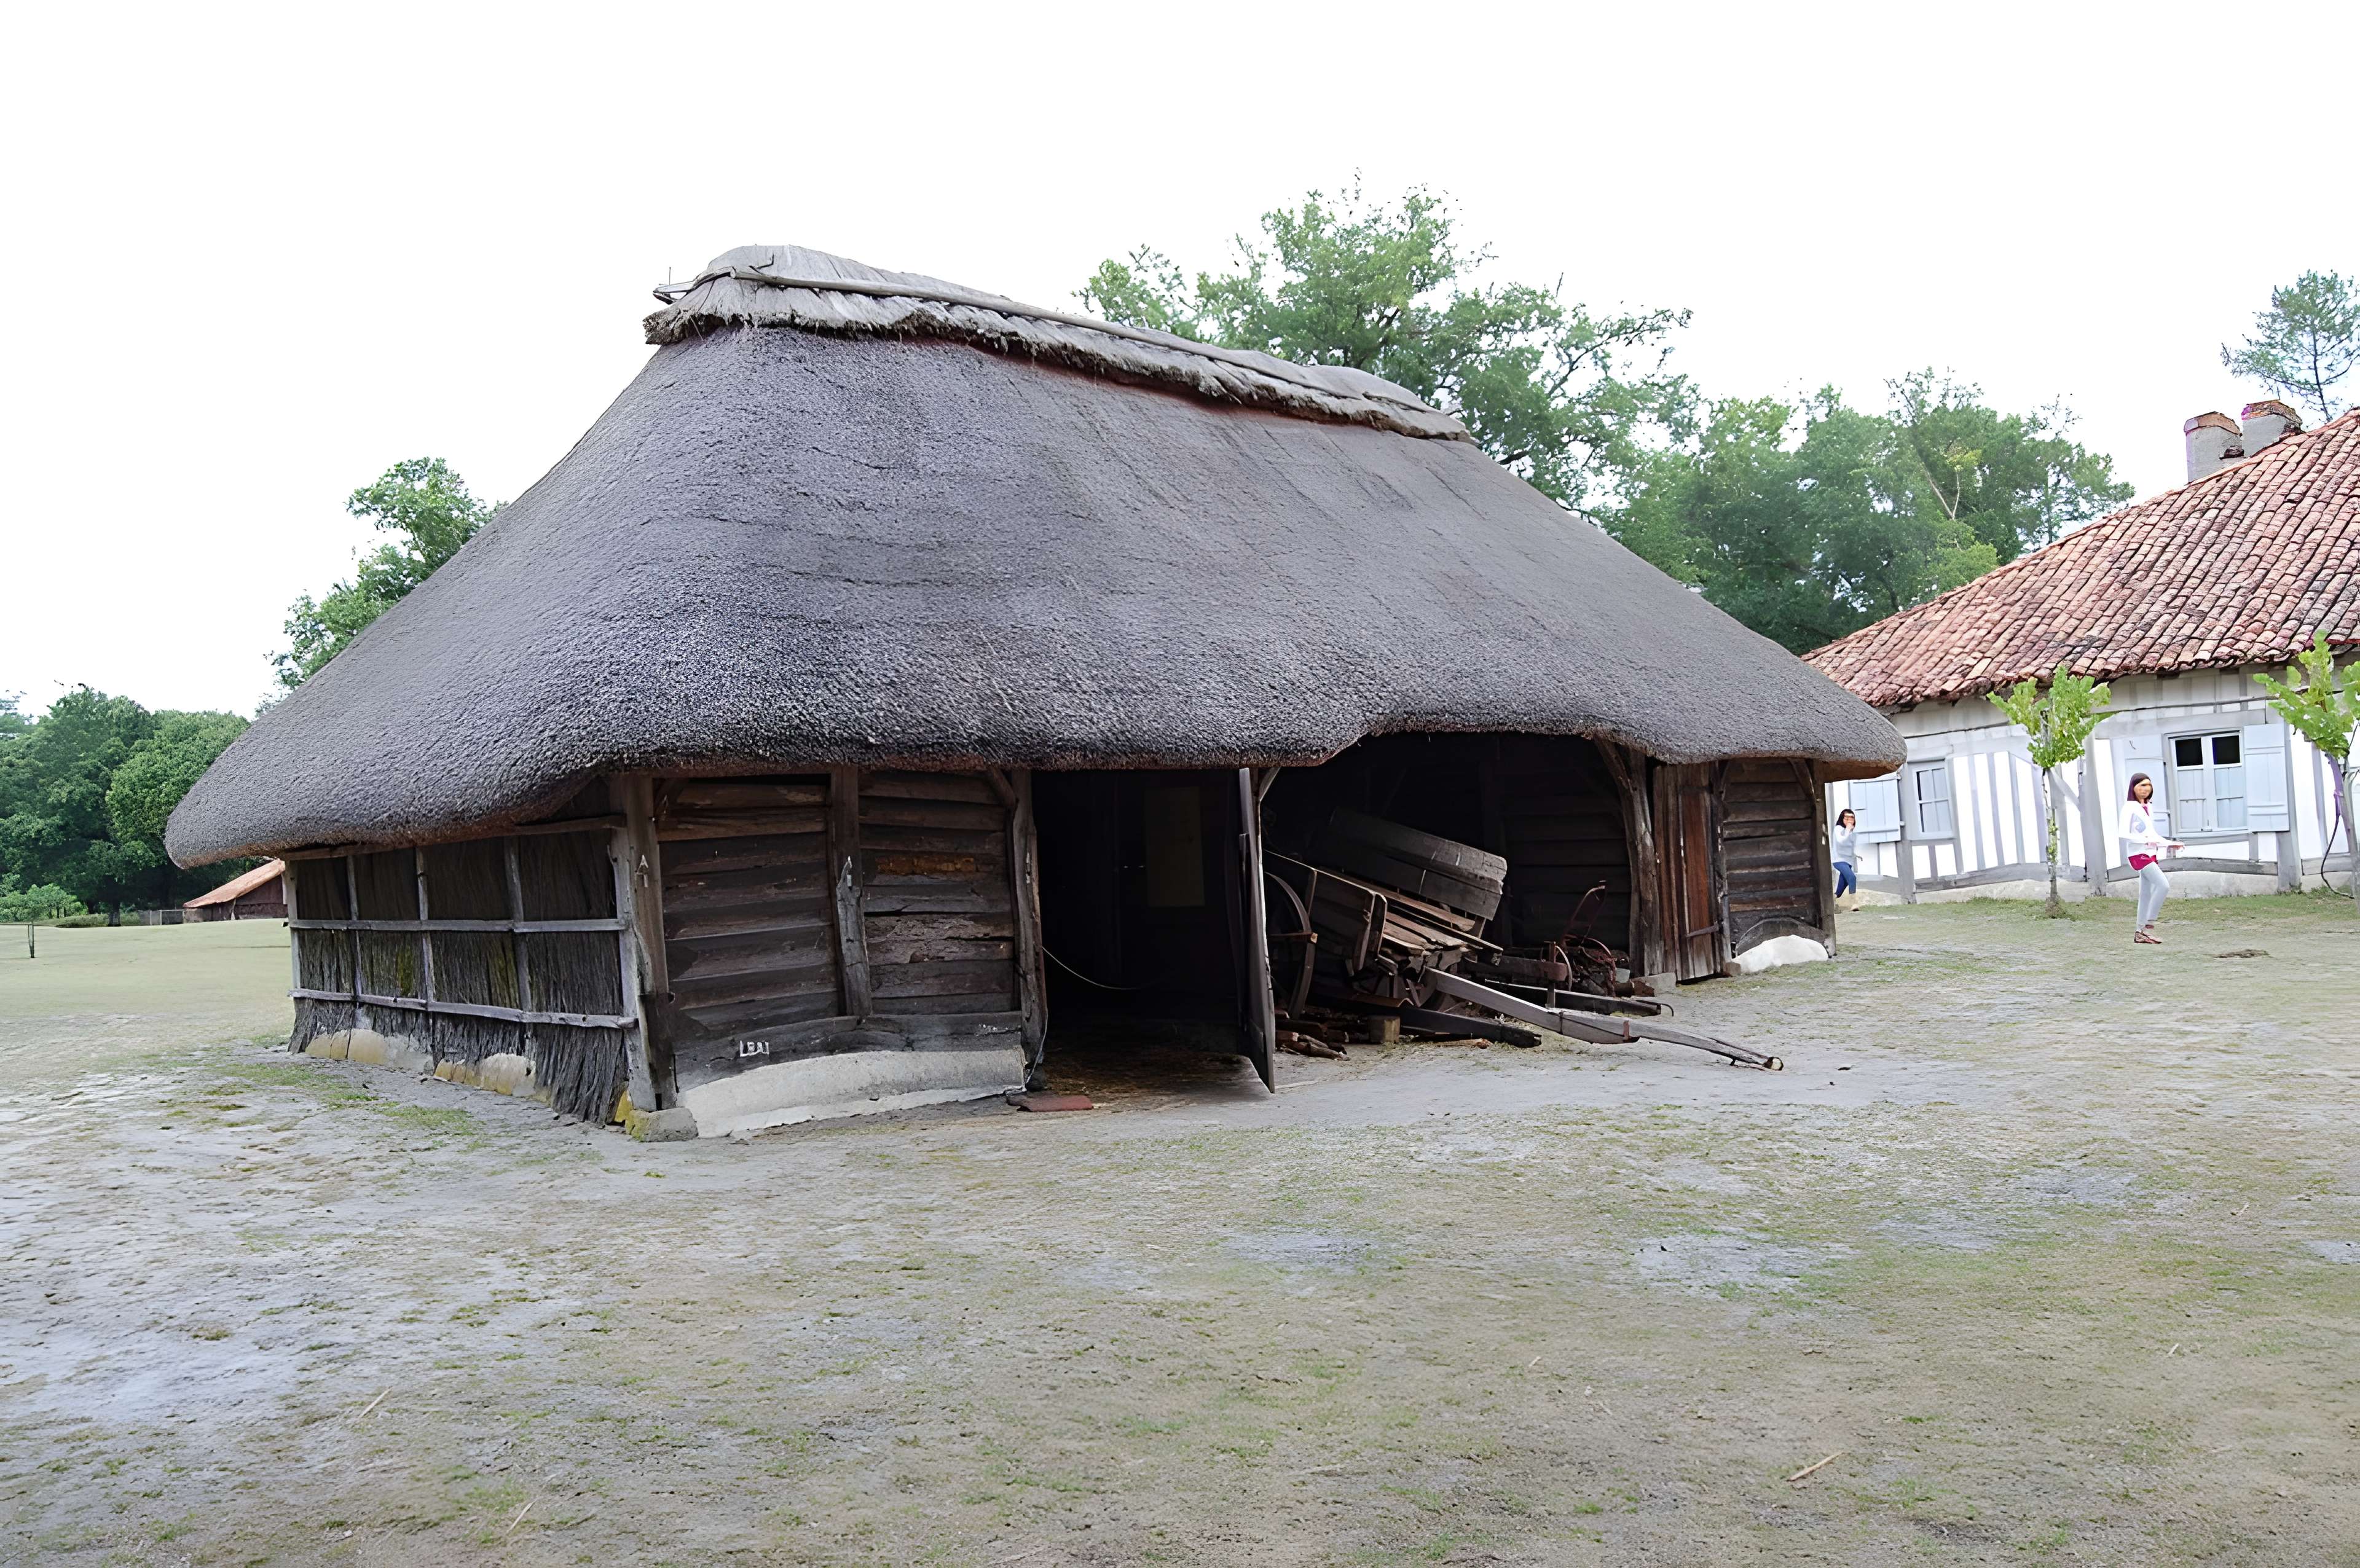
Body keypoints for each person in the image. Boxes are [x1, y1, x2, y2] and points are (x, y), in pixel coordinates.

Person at [2120, 773, 2182, 944]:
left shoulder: (2148, 807)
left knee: (2145, 894)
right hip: (2138, 855)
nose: (2145, 789)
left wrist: (2170, 844)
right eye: (2141, 786)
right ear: (2133, 788)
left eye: (2148, 785)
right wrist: (2146, 841)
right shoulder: (2129, 808)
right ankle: (2148, 927)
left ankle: (2140, 933)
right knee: (2163, 885)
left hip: (2150, 854)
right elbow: (2124, 834)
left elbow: (2152, 833)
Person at [1831, 808, 1859, 904]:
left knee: (1845, 881)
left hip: (1848, 860)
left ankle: (1834, 898)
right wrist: (1847, 830)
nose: (1849, 821)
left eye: (1852, 818)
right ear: (1842, 819)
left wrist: (1856, 855)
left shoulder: (1850, 832)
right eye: (1846, 818)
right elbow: (1841, 841)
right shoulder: (1838, 829)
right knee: (1852, 878)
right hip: (1839, 860)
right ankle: (1854, 903)